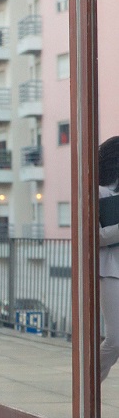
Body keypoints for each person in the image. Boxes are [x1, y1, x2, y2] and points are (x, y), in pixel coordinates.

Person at [98, 135, 119, 382]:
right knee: (114, 340)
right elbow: (95, 237)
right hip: (111, 269)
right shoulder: (100, 191)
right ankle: (87, 386)